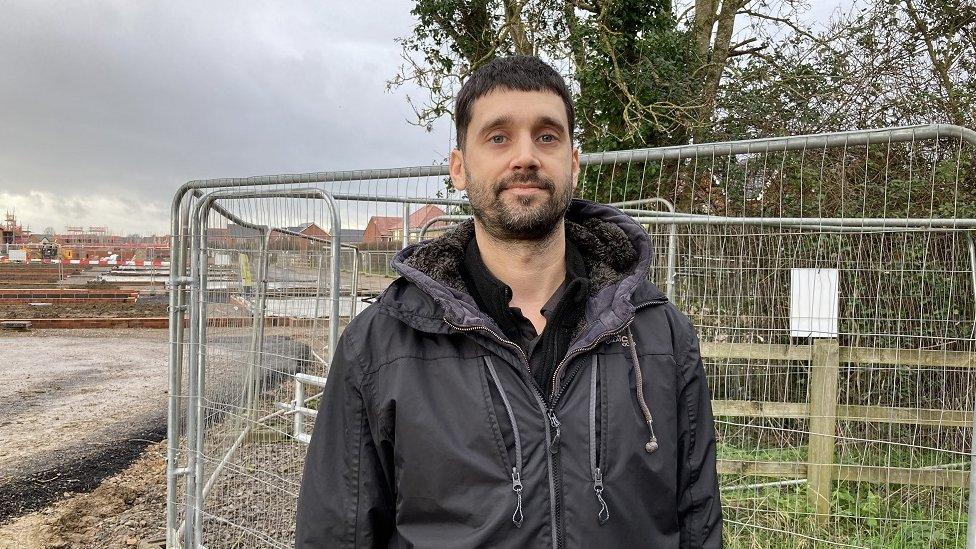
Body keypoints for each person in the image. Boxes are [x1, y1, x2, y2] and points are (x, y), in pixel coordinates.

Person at [296, 55, 722, 548]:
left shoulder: (660, 335)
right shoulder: (382, 345)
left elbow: (698, 520)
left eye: (547, 136)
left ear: (573, 162)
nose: (526, 156)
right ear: (459, 167)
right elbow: (336, 532)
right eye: (498, 137)